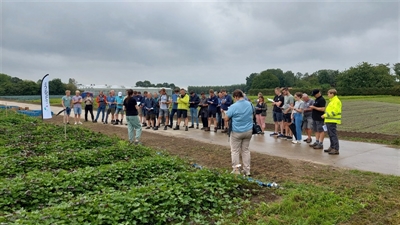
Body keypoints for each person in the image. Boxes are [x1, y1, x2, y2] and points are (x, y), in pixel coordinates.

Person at [225, 89, 253, 176]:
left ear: (236, 97)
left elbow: (226, 118)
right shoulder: (250, 104)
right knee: (245, 150)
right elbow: (253, 112)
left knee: (235, 151)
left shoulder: (234, 106)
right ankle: (247, 170)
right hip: (248, 130)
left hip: (237, 131)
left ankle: (236, 169)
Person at [322, 89, 342, 155]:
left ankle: (335, 149)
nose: (328, 95)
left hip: (332, 120)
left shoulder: (336, 101)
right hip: (329, 120)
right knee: (330, 134)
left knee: (333, 135)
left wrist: (325, 115)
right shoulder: (332, 101)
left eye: (328, 94)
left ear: (332, 94)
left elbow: (335, 111)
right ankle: (332, 147)